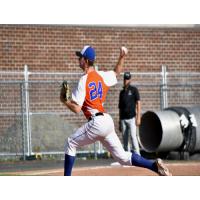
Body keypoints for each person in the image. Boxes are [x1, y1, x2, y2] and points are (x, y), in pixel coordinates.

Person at [60, 45, 172, 176]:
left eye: (80, 57)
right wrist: (122, 57)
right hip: (106, 121)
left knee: (71, 142)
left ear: (85, 60)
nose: (78, 60)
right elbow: (117, 72)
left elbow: (77, 109)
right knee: (123, 157)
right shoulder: (102, 75)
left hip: (96, 122)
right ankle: (154, 166)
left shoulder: (83, 80)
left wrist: (64, 100)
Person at [119, 72, 141, 155]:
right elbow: (120, 108)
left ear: (130, 80)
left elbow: (138, 103)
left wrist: (138, 117)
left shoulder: (134, 90)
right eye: (125, 79)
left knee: (133, 136)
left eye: (127, 79)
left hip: (132, 118)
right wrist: (119, 121)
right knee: (125, 139)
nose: (126, 81)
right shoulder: (121, 93)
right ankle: (126, 156)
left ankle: (138, 154)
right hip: (123, 118)